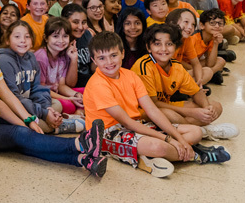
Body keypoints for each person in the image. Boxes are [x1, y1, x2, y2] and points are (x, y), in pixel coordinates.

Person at [0, 20, 106, 177]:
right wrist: (25, 124)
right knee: (20, 133)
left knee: (22, 141)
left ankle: (82, 160)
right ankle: (79, 143)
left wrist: (28, 119)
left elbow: (8, 96)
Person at [84, 32, 230, 178]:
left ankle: (148, 157)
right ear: (94, 60)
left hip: (136, 124)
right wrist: (169, 139)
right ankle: (198, 154)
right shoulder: (98, 84)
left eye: (113, 55)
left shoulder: (130, 76)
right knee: (158, 146)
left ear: (122, 54)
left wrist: (177, 138)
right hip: (106, 134)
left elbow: (152, 110)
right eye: (102, 58)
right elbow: (126, 122)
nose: (109, 62)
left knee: (196, 132)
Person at [131, 24, 237, 137]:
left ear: (176, 47)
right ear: (148, 47)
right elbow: (153, 104)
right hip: (142, 112)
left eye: (169, 44)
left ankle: (192, 131)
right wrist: (192, 112)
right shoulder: (143, 66)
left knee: (215, 107)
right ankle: (202, 132)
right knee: (169, 114)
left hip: (166, 105)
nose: (163, 49)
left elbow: (196, 92)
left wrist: (206, 108)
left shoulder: (176, 66)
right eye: (157, 44)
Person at [0, 21, 83, 134]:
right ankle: (59, 125)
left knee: (56, 105)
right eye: (17, 37)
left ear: (32, 40)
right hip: (12, 109)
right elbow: (14, 98)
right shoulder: (4, 61)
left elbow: (37, 88)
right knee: (42, 126)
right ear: (8, 40)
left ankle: (55, 120)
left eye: (27, 37)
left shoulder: (31, 57)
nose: (23, 40)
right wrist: (44, 113)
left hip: (30, 104)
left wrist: (46, 108)